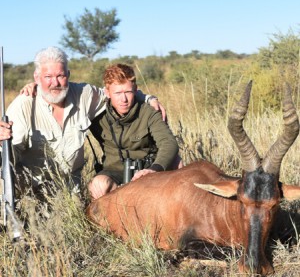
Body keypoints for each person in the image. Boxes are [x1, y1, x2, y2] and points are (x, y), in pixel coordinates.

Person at [0, 47, 165, 195]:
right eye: (48, 76)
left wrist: (147, 97)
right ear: (37, 78)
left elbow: (117, 91)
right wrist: (1, 142)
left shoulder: (84, 94)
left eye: (60, 76)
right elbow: (10, 157)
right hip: (32, 191)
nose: (55, 83)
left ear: (68, 75)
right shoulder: (23, 104)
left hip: (71, 192)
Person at [88, 63, 181, 200]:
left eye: (128, 92)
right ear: (107, 93)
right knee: (98, 184)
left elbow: (169, 143)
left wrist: (154, 169)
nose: (123, 99)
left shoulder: (149, 111)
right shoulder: (96, 114)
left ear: (136, 90)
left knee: (177, 163)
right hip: (114, 171)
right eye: (118, 93)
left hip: (147, 170)